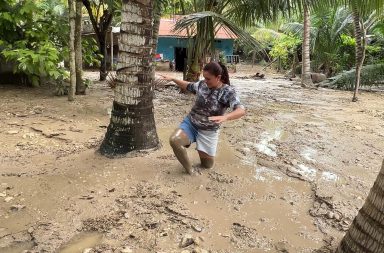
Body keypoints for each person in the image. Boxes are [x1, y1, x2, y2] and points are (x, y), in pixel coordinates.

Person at [160, 62, 246, 175]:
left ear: (218, 77)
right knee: (175, 140)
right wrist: (173, 79)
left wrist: (226, 117)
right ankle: (190, 171)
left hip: (208, 131)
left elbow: (241, 110)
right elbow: (188, 85)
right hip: (191, 123)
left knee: (207, 166)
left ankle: (201, 153)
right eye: (204, 78)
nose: (205, 81)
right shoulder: (202, 84)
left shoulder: (227, 91)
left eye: (208, 79)